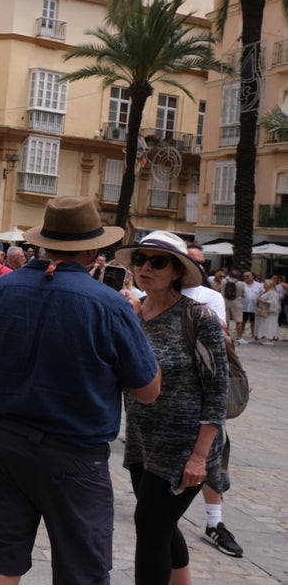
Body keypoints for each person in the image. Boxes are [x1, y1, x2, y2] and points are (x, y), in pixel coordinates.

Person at [0, 195, 161, 585]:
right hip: (76, 457)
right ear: (95, 248)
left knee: (1, 564)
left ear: (44, 242)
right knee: (83, 573)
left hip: (6, 444)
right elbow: (148, 391)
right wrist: (137, 326)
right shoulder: (111, 305)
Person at [117, 231, 229, 584]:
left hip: (183, 448)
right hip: (141, 441)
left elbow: (217, 390)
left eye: (157, 261)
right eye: (140, 260)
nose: (145, 267)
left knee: (149, 529)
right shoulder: (133, 315)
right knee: (161, 525)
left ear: (177, 271)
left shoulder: (198, 318)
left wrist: (199, 456)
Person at [182, 243, 244, 559]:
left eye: (201, 263)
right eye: (190, 261)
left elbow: (221, 342)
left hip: (203, 393)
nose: (197, 267)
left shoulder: (211, 298)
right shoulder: (150, 296)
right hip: (163, 400)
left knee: (212, 458)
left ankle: (214, 522)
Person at [255, 277, 280, 344]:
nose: (263, 285)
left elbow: (274, 303)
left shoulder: (273, 293)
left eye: (265, 284)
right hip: (264, 311)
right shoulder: (266, 292)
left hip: (270, 312)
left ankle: (270, 339)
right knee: (265, 325)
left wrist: (262, 300)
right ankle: (265, 338)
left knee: (270, 325)